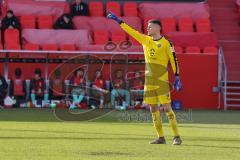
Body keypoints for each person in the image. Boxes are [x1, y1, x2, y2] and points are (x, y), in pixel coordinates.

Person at [107, 11, 183, 145]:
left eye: (150, 26)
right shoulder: (145, 40)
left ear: (158, 28)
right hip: (149, 81)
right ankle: (161, 137)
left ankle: (176, 136)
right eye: (147, 26)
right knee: (153, 109)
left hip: (162, 81)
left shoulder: (167, 43)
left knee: (166, 108)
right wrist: (119, 21)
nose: (147, 28)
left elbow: (174, 60)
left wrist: (177, 76)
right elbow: (131, 31)